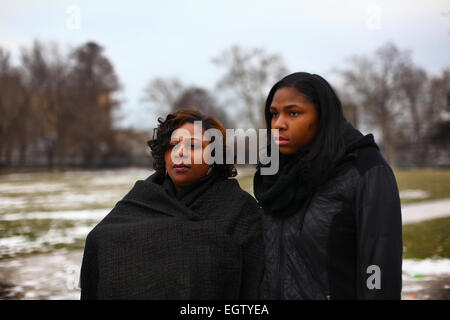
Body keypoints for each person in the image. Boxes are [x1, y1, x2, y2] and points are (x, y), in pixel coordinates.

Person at [80, 108, 264, 299]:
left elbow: (255, 284)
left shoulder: (240, 210)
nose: (180, 153)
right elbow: (100, 240)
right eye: (172, 145)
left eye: (193, 146)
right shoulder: (142, 197)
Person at [253, 72, 402, 300]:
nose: (279, 124)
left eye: (293, 113)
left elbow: (379, 267)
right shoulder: (273, 174)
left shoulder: (364, 168)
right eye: (273, 114)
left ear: (324, 116)